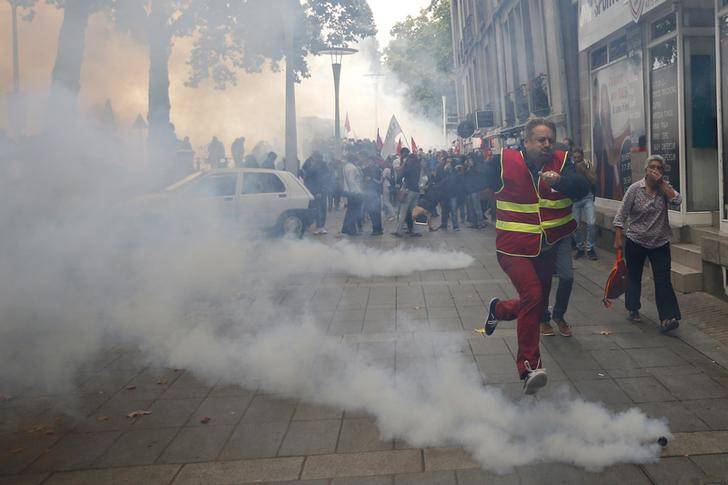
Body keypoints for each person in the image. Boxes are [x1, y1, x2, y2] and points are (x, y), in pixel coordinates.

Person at [480, 118, 589, 394]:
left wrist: (561, 182)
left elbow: (582, 188)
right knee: (532, 296)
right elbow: (466, 181)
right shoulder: (503, 162)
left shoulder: (561, 162)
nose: (547, 145)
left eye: (550, 140)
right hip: (512, 249)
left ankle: (500, 310)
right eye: (540, 140)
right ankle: (529, 366)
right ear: (526, 142)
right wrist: (427, 202)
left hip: (546, 247)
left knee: (537, 304)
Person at [613, 154, 682, 333]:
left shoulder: (664, 189)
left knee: (663, 280)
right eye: (653, 167)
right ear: (646, 170)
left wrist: (661, 184)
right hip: (637, 240)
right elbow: (621, 214)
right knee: (634, 276)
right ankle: (633, 307)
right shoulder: (635, 189)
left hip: (660, 241)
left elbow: (678, 200)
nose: (656, 170)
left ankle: (667, 318)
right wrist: (618, 237)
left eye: (660, 168)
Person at [572, 147, 598, 260]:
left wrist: (584, 170)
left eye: (579, 157)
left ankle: (591, 248)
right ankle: (580, 248)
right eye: (575, 157)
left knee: (591, 223)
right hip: (575, 199)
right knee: (574, 225)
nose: (577, 159)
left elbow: (593, 180)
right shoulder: (570, 166)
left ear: (582, 156)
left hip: (587, 197)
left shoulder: (587, 165)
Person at [392, 148, 422, 238]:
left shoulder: (408, 162)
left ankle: (399, 231)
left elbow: (402, 173)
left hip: (408, 189)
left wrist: (397, 183)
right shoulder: (417, 163)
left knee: (403, 211)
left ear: (404, 153)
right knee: (414, 212)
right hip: (416, 189)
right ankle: (415, 231)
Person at [302, 152, 328, 235]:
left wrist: (318, 191)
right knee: (319, 209)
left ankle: (320, 227)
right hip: (319, 191)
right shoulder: (314, 166)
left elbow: (322, 180)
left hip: (319, 191)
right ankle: (320, 227)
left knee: (319, 209)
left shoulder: (319, 166)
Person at [341, 156, 364, 236]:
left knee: (350, 211)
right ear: (354, 160)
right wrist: (358, 191)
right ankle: (351, 230)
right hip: (354, 192)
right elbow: (352, 181)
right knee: (354, 212)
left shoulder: (346, 166)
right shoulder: (353, 168)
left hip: (349, 191)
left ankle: (345, 228)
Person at [363, 157, 384, 235]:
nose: (369, 162)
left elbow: (379, 181)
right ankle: (378, 229)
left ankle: (376, 229)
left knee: (374, 211)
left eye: (370, 160)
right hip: (373, 192)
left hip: (373, 193)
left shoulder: (372, 169)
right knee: (375, 212)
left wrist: (371, 179)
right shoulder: (376, 169)